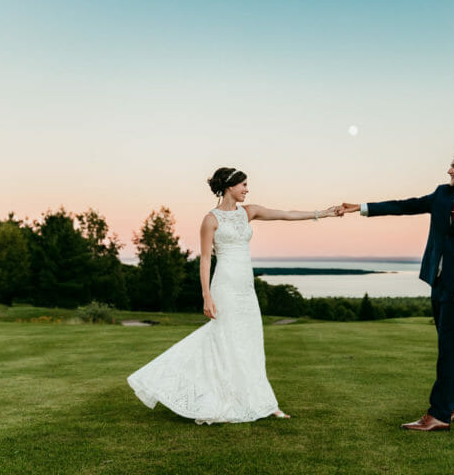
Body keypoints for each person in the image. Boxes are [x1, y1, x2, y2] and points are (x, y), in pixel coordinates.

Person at [127, 167, 340, 424]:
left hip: (246, 288)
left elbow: (286, 214)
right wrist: (206, 296)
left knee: (250, 343)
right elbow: (205, 260)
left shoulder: (249, 212)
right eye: (244, 185)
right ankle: (213, 395)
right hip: (225, 287)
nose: (247, 190)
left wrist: (322, 213)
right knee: (224, 341)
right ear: (230, 186)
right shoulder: (210, 220)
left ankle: (264, 402)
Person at [341, 150, 454, 431]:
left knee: (449, 348)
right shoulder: (441, 195)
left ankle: (439, 414)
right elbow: (405, 205)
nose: (449, 170)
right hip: (437, 281)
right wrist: (362, 207)